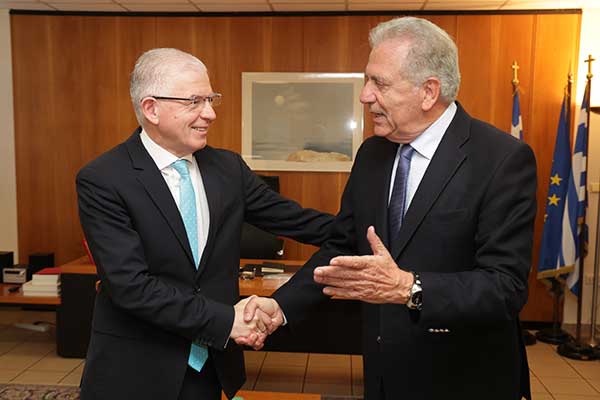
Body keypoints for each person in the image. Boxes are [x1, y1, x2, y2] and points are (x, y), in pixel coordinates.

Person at [245, 16, 536, 400]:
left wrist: (408, 287)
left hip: (463, 377)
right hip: (384, 371)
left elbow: (505, 287)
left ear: (428, 92)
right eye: (367, 81)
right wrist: (280, 306)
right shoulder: (373, 154)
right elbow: (342, 246)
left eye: (379, 83)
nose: (365, 96)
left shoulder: (500, 159)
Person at [76, 48, 333, 400]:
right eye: (194, 102)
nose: (210, 113)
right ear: (151, 108)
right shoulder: (104, 178)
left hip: (210, 367)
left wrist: (372, 227)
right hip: (135, 368)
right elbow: (130, 286)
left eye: (211, 100)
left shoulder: (228, 169)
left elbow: (302, 222)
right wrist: (227, 321)